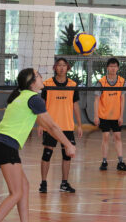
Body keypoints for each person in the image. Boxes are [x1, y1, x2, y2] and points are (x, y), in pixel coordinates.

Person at [0, 68, 75, 222]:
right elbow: (53, 126)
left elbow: (46, 125)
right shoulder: (34, 99)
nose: (42, 76)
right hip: (5, 146)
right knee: (15, 193)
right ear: (32, 82)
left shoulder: (21, 96)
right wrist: (68, 144)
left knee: (24, 186)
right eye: (38, 75)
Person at [37, 58, 82, 193]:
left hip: (67, 126)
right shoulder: (47, 84)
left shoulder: (73, 84)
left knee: (67, 155)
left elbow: (75, 106)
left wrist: (79, 125)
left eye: (64, 65)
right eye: (59, 65)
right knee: (47, 153)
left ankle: (64, 183)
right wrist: (40, 124)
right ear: (55, 67)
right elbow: (41, 105)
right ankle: (43, 183)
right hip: (50, 126)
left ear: (67, 67)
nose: (62, 68)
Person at [94, 57, 126, 171]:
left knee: (118, 137)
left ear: (118, 68)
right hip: (104, 115)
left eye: (115, 66)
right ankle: (104, 161)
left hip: (116, 115)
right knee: (105, 137)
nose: (113, 68)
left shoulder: (122, 81)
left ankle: (120, 162)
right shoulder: (101, 82)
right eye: (111, 66)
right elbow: (96, 100)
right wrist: (96, 116)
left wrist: (121, 115)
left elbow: (122, 99)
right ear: (107, 68)